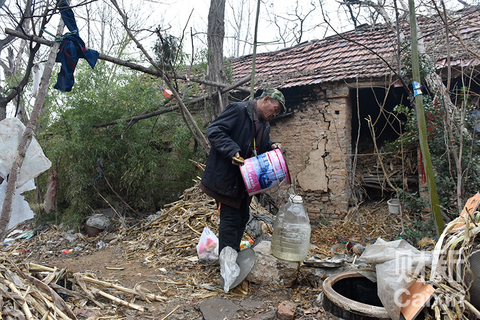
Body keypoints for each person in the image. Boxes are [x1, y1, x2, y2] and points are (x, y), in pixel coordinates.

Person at [200, 88, 286, 254]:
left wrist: (271, 146)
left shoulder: (264, 124)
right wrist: (232, 150)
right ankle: (227, 265)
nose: (275, 114)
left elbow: (259, 146)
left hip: (246, 183)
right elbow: (214, 130)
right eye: (275, 109)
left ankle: (232, 257)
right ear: (266, 99)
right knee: (231, 220)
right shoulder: (239, 110)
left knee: (242, 219)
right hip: (229, 179)